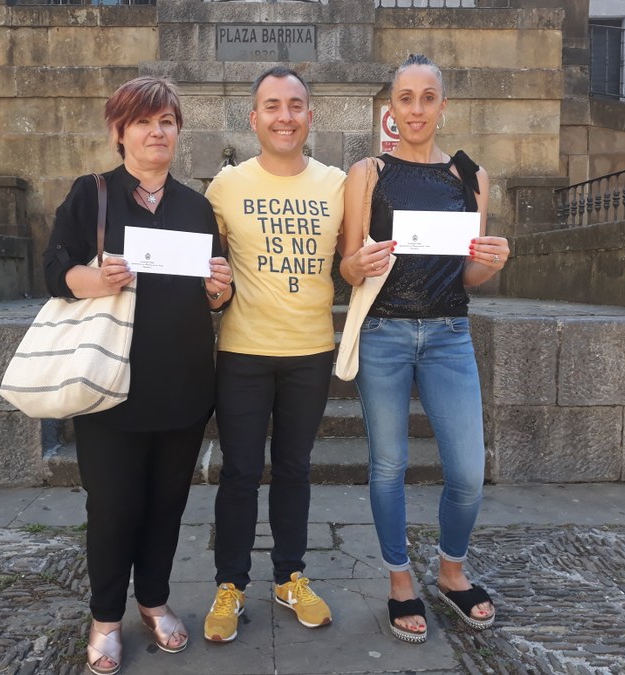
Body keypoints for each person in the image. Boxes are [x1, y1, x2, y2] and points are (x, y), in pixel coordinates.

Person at [42, 76, 233, 674]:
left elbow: (212, 294)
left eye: (168, 122)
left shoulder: (196, 206)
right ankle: (104, 615)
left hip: (181, 385)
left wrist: (218, 293)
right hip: (109, 385)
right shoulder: (92, 195)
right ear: (119, 131)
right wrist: (95, 278)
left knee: (167, 503)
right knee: (114, 504)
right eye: (145, 121)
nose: (158, 131)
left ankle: (152, 599)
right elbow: (53, 270)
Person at [339, 54, 510, 643]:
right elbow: (347, 265)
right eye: (405, 98)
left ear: (443, 105)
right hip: (384, 331)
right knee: (388, 466)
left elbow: (466, 276)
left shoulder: (471, 178)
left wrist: (492, 263)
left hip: (448, 334)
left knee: (467, 471)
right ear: (392, 106)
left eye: (427, 97)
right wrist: (355, 264)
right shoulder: (368, 172)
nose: (416, 109)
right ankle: (399, 581)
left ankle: (452, 572)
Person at [201, 66, 346, 643]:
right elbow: (208, 273)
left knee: (293, 470)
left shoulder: (339, 183)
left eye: (294, 105)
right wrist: (213, 291)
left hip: (310, 351)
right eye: (271, 106)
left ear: (310, 115)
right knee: (239, 473)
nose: (284, 116)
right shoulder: (225, 187)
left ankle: (290, 576)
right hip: (243, 351)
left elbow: (358, 255)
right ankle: (229, 585)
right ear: (253, 118)